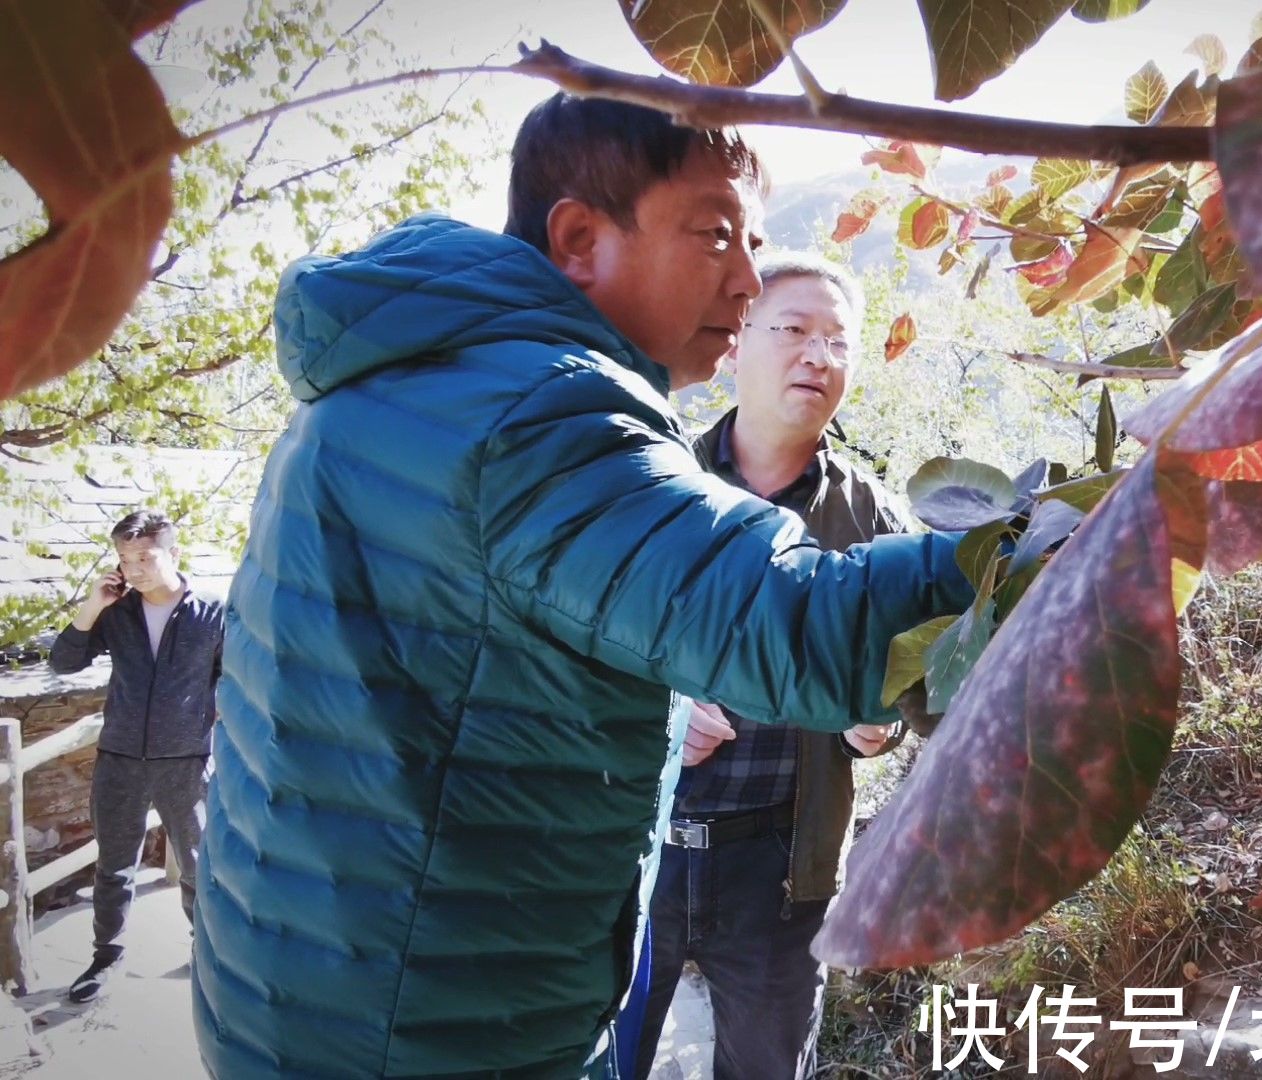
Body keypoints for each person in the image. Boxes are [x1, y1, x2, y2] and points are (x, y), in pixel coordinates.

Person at [191, 95, 972, 1079]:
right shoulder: (542, 414)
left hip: (308, 981)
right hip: (431, 1027)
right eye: (714, 235)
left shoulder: (399, 377)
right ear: (578, 238)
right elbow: (790, 622)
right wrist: (1055, 548)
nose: (746, 279)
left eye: (756, 243)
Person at [620, 254, 910, 1078]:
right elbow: (571, 646)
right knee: (599, 1061)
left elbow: (904, 682)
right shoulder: (653, 483)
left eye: (838, 341)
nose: (818, 355)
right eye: (792, 329)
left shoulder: (875, 518)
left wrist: (875, 727)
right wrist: (661, 715)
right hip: (635, 854)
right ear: (738, 336)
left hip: (781, 872)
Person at [47, 508, 223, 1003]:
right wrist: (91, 607)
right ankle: (107, 957)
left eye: (144, 557)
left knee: (195, 865)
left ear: (174, 553)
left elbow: (235, 678)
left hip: (185, 761)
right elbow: (63, 662)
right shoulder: (117, 611)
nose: (134, 568)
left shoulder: (212, 610)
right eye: (125, 558)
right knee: (113, 865)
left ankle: (206, 956)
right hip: (119, 757)